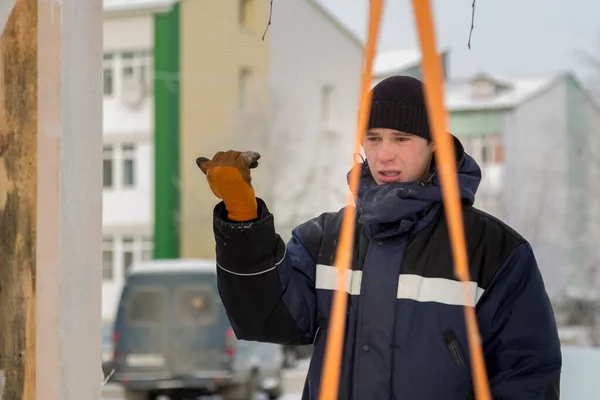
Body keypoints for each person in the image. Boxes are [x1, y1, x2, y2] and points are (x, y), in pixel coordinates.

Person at [196, 76, 562, 400]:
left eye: (401, 138)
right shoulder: (326, 240)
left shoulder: (493, 250)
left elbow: (526, 374)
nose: (384, 154)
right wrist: (242, 219)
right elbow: (266, 317)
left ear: (435, 144)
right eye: (374, 139)